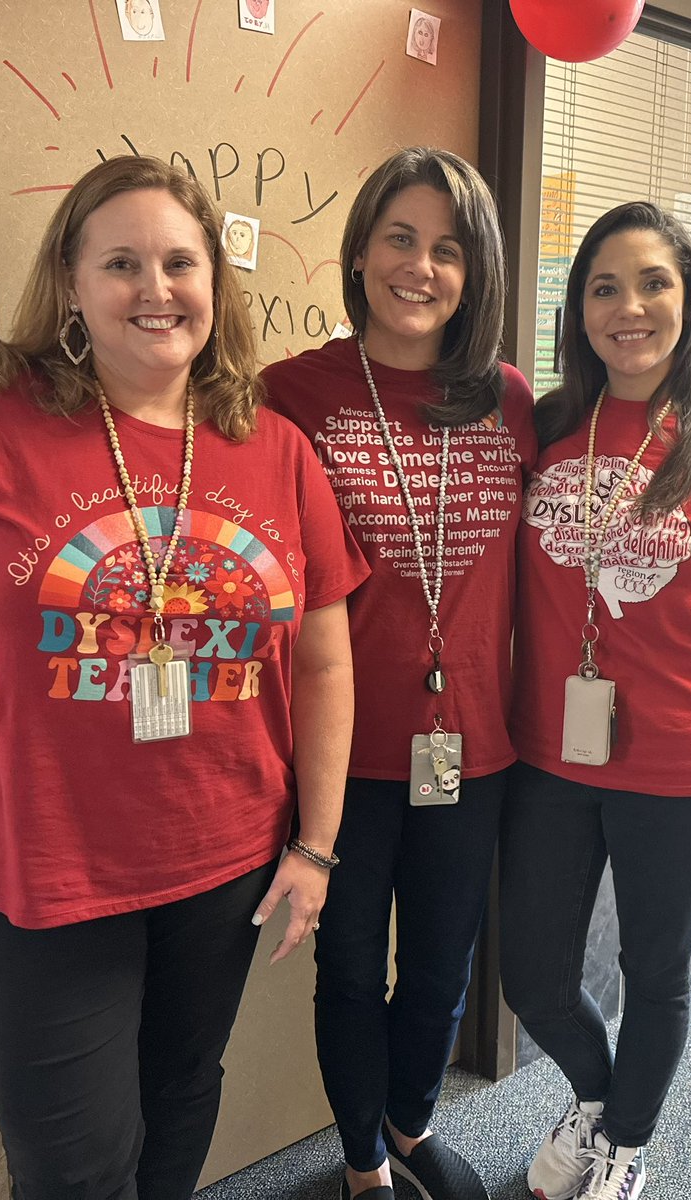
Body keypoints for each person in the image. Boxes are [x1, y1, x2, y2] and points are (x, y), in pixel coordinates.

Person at [0, 154, 368, 1200]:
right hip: (35, 870)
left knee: (182, 1106)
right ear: (74, 285)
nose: (156, 288)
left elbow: (321, 657)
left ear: (215, 287)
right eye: (122, 262)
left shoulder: (272, 449)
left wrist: (315, 844)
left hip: (220, 859)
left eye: (181, 262)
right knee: (76, 1170)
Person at [500, 201, 691, 1200]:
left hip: (687, 764)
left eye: (654, 284)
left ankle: (624, 1145)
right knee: (535, 975)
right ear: (577, 308)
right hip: (550, 757)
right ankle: (597, 1104)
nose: (628, 307)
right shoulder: (543, 427)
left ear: (690, 301)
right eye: (603, 286)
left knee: (654, 969)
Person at [262, 147, 537, 1200]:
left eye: (449, 249)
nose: (421, 267)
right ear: (362, 250)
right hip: (340, 754)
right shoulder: (294, 394)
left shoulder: (509, 401)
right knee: (346, 971)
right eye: (401, 238)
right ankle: (365, 1165)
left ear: (478, 274)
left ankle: (414, 1123)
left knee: (441, 964)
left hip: (475, 747)